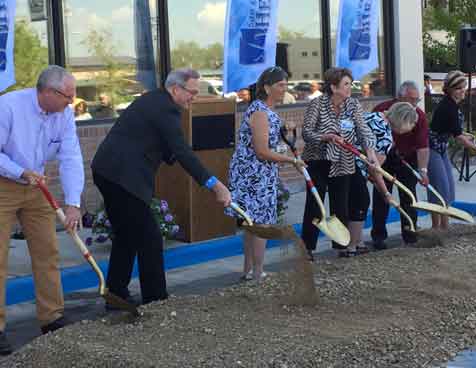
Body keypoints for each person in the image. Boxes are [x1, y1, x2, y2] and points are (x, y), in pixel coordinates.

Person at [91, 68, 231, 306]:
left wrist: (177, 157)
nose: (194, 97)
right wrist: (215, 185)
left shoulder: (155, 101)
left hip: (108, 172)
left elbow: (164, 145)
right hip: (123, 177)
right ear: (176, 89)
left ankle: (115, 294)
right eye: (192, 92)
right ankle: (156, 300)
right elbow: (181, 150)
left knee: (127, 235)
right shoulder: (165, 108)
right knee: (150, 238)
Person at [0, 65, 84, 353]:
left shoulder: (64, 114)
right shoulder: (8, 106)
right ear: (48, 92)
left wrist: (73, 203)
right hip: (4, 182)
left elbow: (71, 155)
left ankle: (52, 318)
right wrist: (20, 172)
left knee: (47, 251)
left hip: (36, 185)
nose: (71, 102)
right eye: (67, 96)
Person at [226, 66, 305, 280]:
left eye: (285, 85)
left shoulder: (267, 110)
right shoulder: (260, 111)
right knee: (260, 223)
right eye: (280, 85)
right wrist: (291, 160)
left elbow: (271, 134)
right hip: (254, 174)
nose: (284, 89)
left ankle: (249, 271)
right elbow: (261, 151)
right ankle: (258, 272)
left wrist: (285, 126)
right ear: (267, 88)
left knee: (252, 224)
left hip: (259, 172)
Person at [301, 67, 377, 261]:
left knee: (340, 203)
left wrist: (370, 152)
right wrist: (326, 136)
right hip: (318, 160)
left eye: (350, 84)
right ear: (334, 87)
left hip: (343, 160)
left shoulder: (353, 105)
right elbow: (307, 133)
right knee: (315, 205)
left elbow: (363, 130)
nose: (350, 88)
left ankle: (341, 246)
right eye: (346, 84)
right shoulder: (317, 104)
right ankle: (307, 248)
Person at [345, 102, 418, 256]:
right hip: (353, 167)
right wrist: (386, 193)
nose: (410, 129)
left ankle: (357, 242)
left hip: (340, 162)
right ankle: (351, 247)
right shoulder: (385, 135)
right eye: (411, 124)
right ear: (403, 120)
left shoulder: (373, 116)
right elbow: (374, 168)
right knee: (361, 203)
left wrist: (375, 181)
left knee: (353, 203)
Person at [370, 80, 429, 249]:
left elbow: (423, 146)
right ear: (399, 97)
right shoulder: (382, 110)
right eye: (411, 99)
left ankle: (410, 234)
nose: (415, 104)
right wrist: (373, 170)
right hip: (383, 156)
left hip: (407, 158)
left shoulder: (419, 116)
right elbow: (370, 142)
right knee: (382, 194)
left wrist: (423, 170)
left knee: (408, 196)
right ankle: (378, 236)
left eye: (417, 100)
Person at [428, 70, 476, 230]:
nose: (463, 91)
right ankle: (437, 229)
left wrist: (466, 133)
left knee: (448, 188)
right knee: (438, 189)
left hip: (442, 149)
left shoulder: (452, 105)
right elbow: (458, 137)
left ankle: (445, 227)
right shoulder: (447, 107)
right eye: (458, 88)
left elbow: (454, 130)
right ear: (449, 89)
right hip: (431, 149)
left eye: (463, 87)